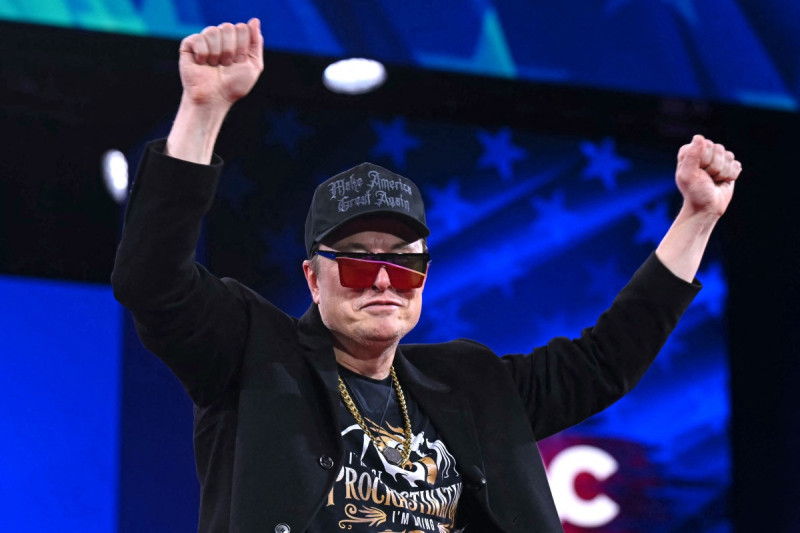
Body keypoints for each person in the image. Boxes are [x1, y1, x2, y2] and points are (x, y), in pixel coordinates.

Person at [111, 18, 742, 533]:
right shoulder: (251, 355)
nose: (383, 280)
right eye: (359, 261)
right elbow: (152, 281)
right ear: (313, 278)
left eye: (403, 263)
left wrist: (697, 217)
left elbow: (605, 362)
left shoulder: (471, 388)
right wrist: (203, 107)